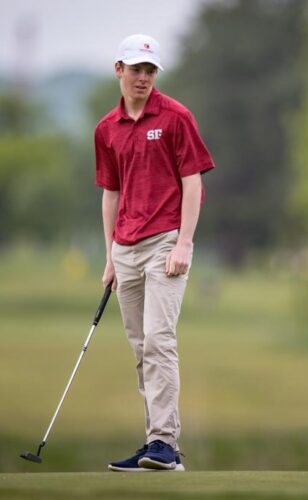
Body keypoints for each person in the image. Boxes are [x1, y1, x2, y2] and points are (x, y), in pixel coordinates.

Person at [94, 34, 215, 472]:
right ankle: (154, 444)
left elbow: (193, 183)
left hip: (166, 241)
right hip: (124, 248)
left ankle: (165, 443)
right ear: (119, 71)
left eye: (150, 71)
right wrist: (109, 256)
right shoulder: (106, 129)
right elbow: (110, 193)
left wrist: (184, 241)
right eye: (136, 69)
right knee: (142, 347)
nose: (143, 77)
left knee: (160, 340)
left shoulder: (177, 116)